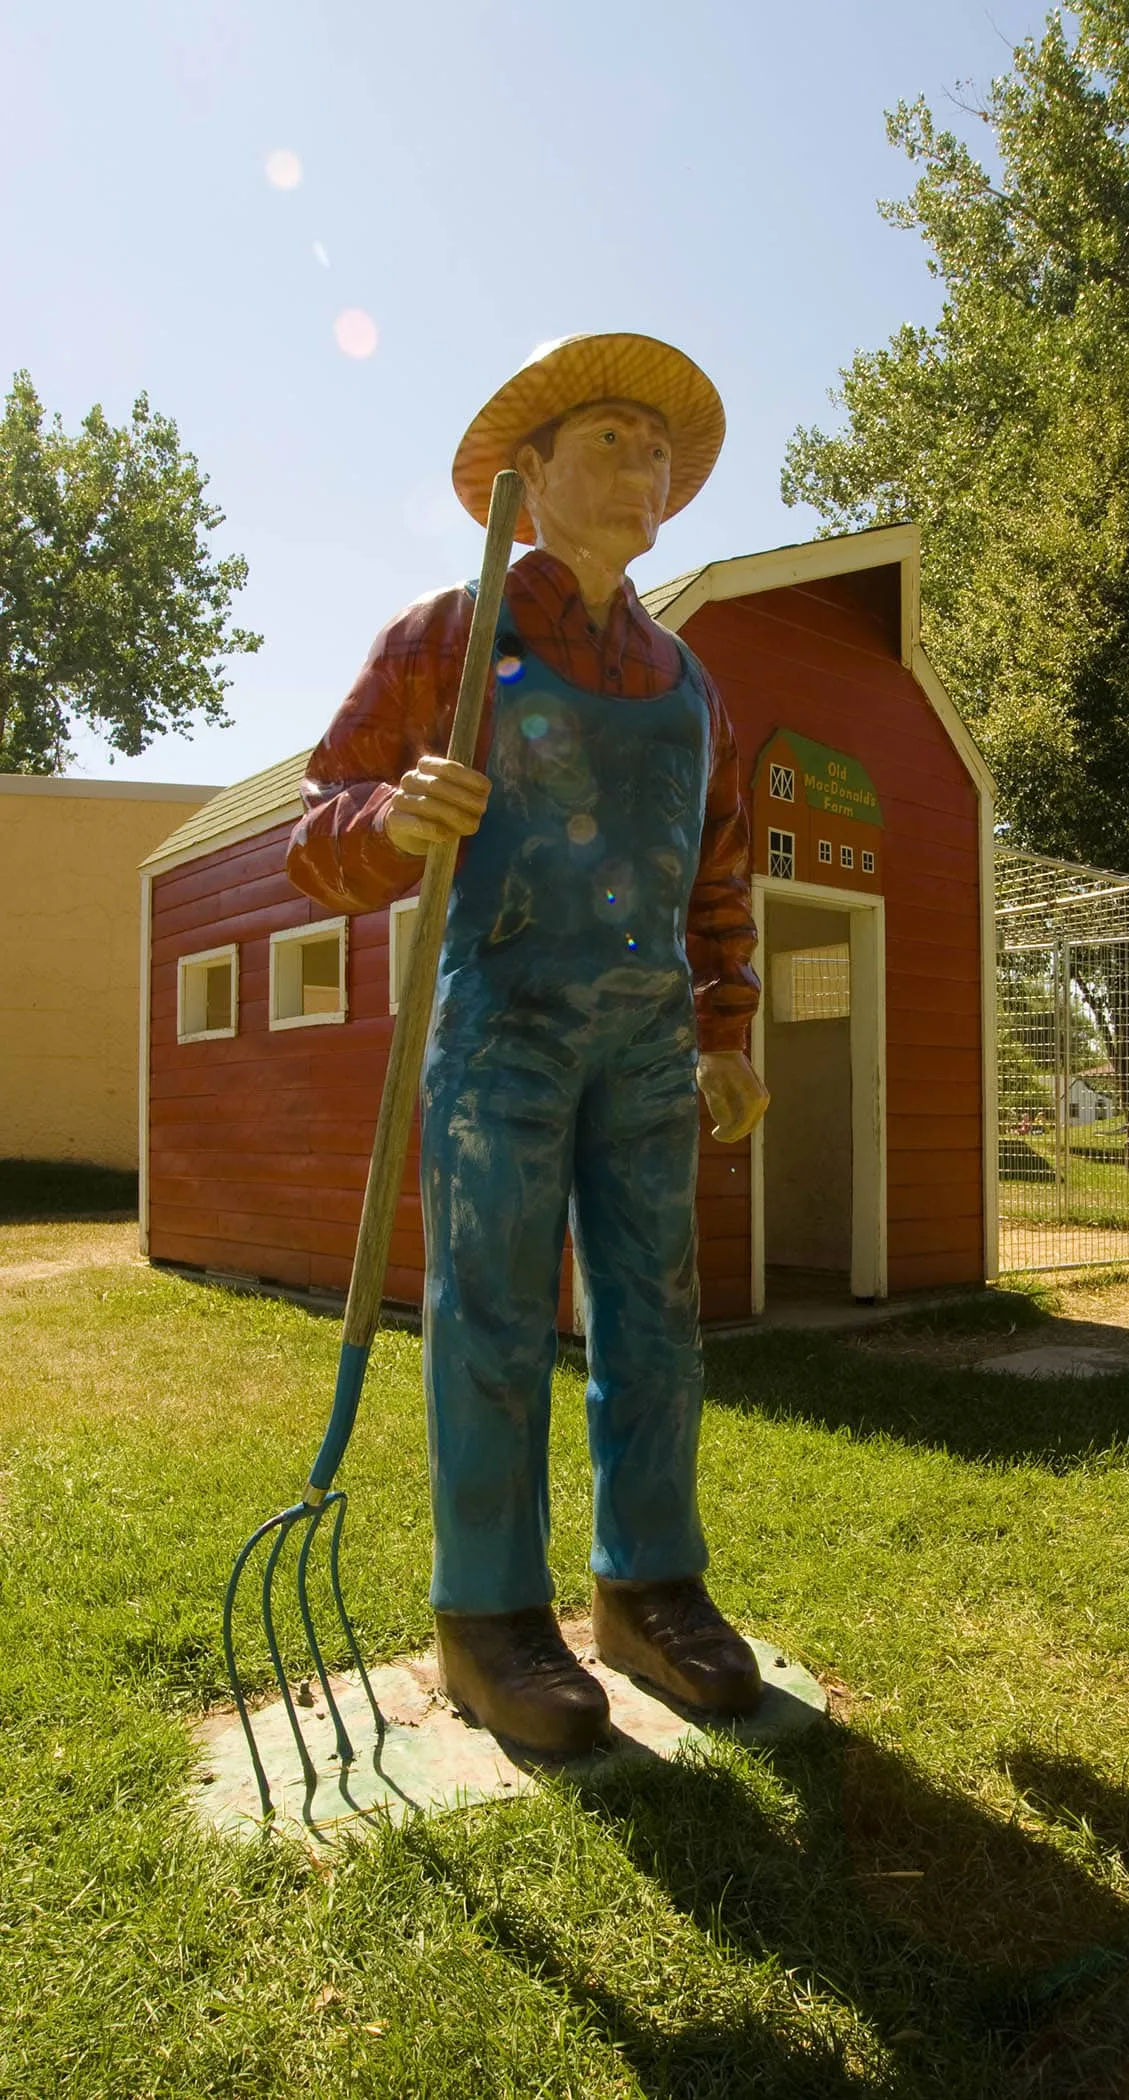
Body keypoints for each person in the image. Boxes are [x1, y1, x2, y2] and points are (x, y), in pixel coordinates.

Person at [287, 334, 770, 1756]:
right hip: (499, 1036)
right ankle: (489, 1619)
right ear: (531, 476)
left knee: (657, 1319)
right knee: (491, 1319)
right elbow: (315, 833)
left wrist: (728, 1028)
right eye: (612, 439)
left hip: (645, 1051)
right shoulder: (447, 637)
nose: (648, 467)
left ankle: (649, 1589)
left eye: (660, 447)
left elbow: (719, 875)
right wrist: (391, 820)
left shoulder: (689, 681)